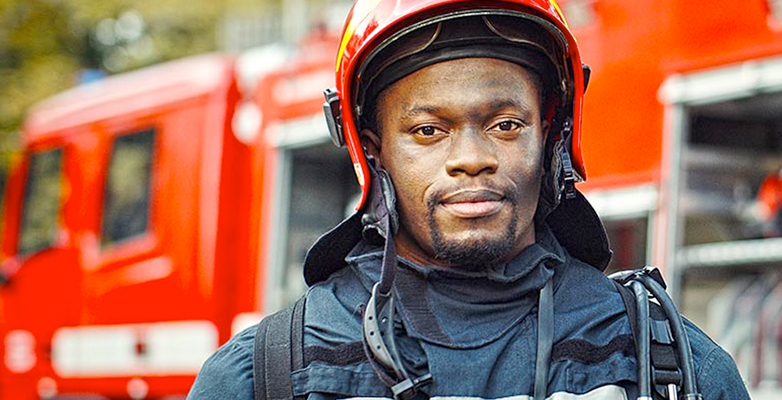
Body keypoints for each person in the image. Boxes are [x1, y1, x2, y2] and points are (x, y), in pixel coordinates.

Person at [188, 0, 750, 399]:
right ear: (374, 148)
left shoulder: (672, 368)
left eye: (506, 125)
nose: (472, 158)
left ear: (551, 134)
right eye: (429, 131)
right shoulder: (263, 376)